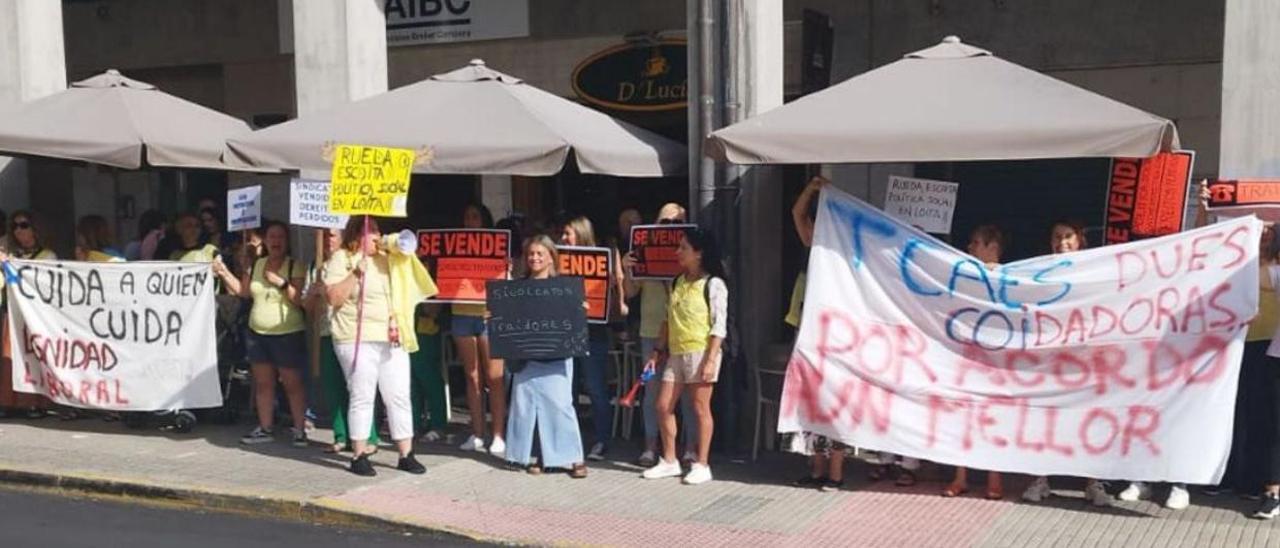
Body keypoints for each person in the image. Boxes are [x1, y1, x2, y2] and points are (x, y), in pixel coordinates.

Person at [324, 216, 436, 476]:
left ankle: (406, 453)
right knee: (362, 395)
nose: (376, 235)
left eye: (377, 230)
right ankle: (359, 454)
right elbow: (333, 297)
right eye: (370, 230)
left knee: (398, 394)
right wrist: (356, 273)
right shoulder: (342, 259)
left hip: (391, 335)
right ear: (355, 235)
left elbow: (410, 273)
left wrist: (399, 249)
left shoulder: (388, 257)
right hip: (355, 337)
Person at [1021, 220, 1110, 507]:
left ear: (1080, 238)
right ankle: (1040, 479)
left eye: (1068, 236)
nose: (1062, 242)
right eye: (1057, 237)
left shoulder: (1096, 268)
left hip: (1085, 357)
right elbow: (1015, 285)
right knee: (1045, 420)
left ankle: (1092, 482)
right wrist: (997, 272)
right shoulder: (1039, 270)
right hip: (1051, 358)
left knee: (1088, 421)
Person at [641, 228, 728, 485]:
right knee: (663, 404)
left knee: (700, 407)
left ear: (698, 254)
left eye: (683, 248)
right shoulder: (678, 282)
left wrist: (711, 359)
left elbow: (718, 325)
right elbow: (668, 320)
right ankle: (670, 460)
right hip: (676, 352)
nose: (678, 252)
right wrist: (657, 351)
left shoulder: (714, 284)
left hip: (700, 351)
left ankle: (702, 463)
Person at [213, 221, 310, 447]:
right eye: (271, 237)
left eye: (280, 237)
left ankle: (299, 428)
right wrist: (224, 272)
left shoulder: (294, 265)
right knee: (264, 383)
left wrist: (282, 283)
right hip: (257, 333)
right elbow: (244, 292)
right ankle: (265, 427)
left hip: (286, 332)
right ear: (265, 241)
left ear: (287, 242)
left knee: (291, 383)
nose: (275, 241)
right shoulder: (257, 265)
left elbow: (300, 301)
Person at [504, 235, 589, 478]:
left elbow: (575, 320)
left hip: (556, 358)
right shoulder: (517, 287)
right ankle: (537, 457)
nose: (535, 258)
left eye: (540, 253)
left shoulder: (565, 288)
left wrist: (580, 311)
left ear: (551, 257)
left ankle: (574, 458)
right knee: (526, 407)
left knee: (560, 406)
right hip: (526, 358)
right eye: (531, 253)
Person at [622, 203, 698, 468]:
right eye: (665, 222)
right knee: (653, 391)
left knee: (688, 395)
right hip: (651, 332)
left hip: (684, 334)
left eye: (677, 222)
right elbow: (631, 292)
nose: (670, 227)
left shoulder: (688, 253)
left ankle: (689, 448)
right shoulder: (644, 252)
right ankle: (650, 447)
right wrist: (627, 268)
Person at [940, 225, 1007, 500]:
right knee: (963, 417)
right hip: (966, 357)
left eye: (976, 242)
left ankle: (994, 478)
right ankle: (961, 477)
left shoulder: (1012, 277)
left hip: (996, 361)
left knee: (995, 419)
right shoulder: (964, 273)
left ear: (993, 247)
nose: (970, 247)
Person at [304, 228, 380, 454]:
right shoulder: (315, 267)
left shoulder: (353, 260)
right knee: (333, 387)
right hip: (328, 333)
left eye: (333, 236)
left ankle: (369, 437)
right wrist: (314, 294)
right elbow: (307, 308)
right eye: (325, 236)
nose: (328, 240)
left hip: (352, 332)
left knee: (359, 388)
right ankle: (341, 435)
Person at [561, 215, 628, 461]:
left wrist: (614, 286)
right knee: (567, 389)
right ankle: (570, 440)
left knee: (595, 388)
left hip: (592, 333)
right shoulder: (558, 260)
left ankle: (601, 440)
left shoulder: (600, 261)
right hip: (567, 332)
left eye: (568, 233)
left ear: (581, 234)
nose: (564, 238)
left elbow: (613, 304)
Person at [452, 203, 508, 457]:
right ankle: (477, 433)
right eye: (466, 217)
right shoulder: (455, 247)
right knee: (472, 377)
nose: (469, 221)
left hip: (489, 315)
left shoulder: (497, 246)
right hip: (461, 314)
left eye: (475, 217)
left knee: (494, 378)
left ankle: (498, 435)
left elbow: (506, 280)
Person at [0, 211, 54, 419]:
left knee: (32, 359)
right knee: (7, 359)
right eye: (15, 226)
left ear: (35, 228)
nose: (19, 230)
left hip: (34, 316)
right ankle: (8, 402)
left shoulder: (47, 255)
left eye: (24, 225)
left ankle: (34, 403)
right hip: (11, 313)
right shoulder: (12, 255)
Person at [1253, 225, 1280, 519]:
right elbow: (1247, 274)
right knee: (1277, 428)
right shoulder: (1275, 272)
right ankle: (1273, 491)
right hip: (1278, 356)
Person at [410, 302, 449, 443]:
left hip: (426, 315)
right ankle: (413, 424)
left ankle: (438, 426)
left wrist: (434, 307)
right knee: (411, 380)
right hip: (408, 318)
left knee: (429, 377)